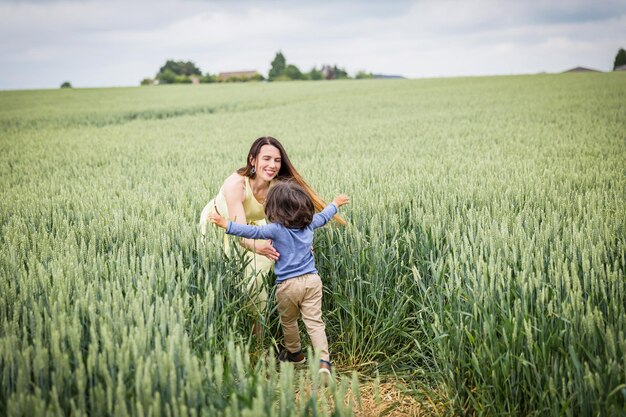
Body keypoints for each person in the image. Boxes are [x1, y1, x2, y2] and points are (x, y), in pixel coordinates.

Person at [199, 136, 344, 339]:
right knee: (224, 278)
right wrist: (259, 247)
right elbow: (240, 232)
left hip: (255, 228)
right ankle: (233, 334)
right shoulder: (236, 185)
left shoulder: (277, 186)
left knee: (255, 281)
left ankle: (258, 338)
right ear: (252, 160)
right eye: (266, 158)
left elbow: (293, 221)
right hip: (221, 226)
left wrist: (300, 244)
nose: (272, 165)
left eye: (277, 160)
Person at [209, 180, 349, 376]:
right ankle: (324, 362)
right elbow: (324, 216)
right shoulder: (309, 225)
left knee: (289, 321)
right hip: (312, 281)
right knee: (315, 322)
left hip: (288, 285)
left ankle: (296, 355)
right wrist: (335, 202)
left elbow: (252, 231)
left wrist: (226, 224)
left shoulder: (276, 229)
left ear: (274, 210)